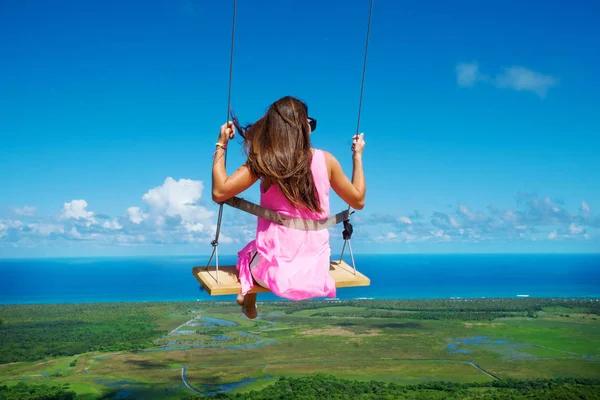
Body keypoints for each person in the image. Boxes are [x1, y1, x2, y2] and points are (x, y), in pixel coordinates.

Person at [212, 96, 366, 318]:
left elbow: (219, 192)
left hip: (273, 274)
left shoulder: (264, 161)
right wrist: (357, 156)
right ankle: (248, 297)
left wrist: (221, 143)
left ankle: (249, 295)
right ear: (303, 130)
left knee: (249, 253)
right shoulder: (327, 160)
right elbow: (358, 201)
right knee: (260, 250)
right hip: (316, 272)